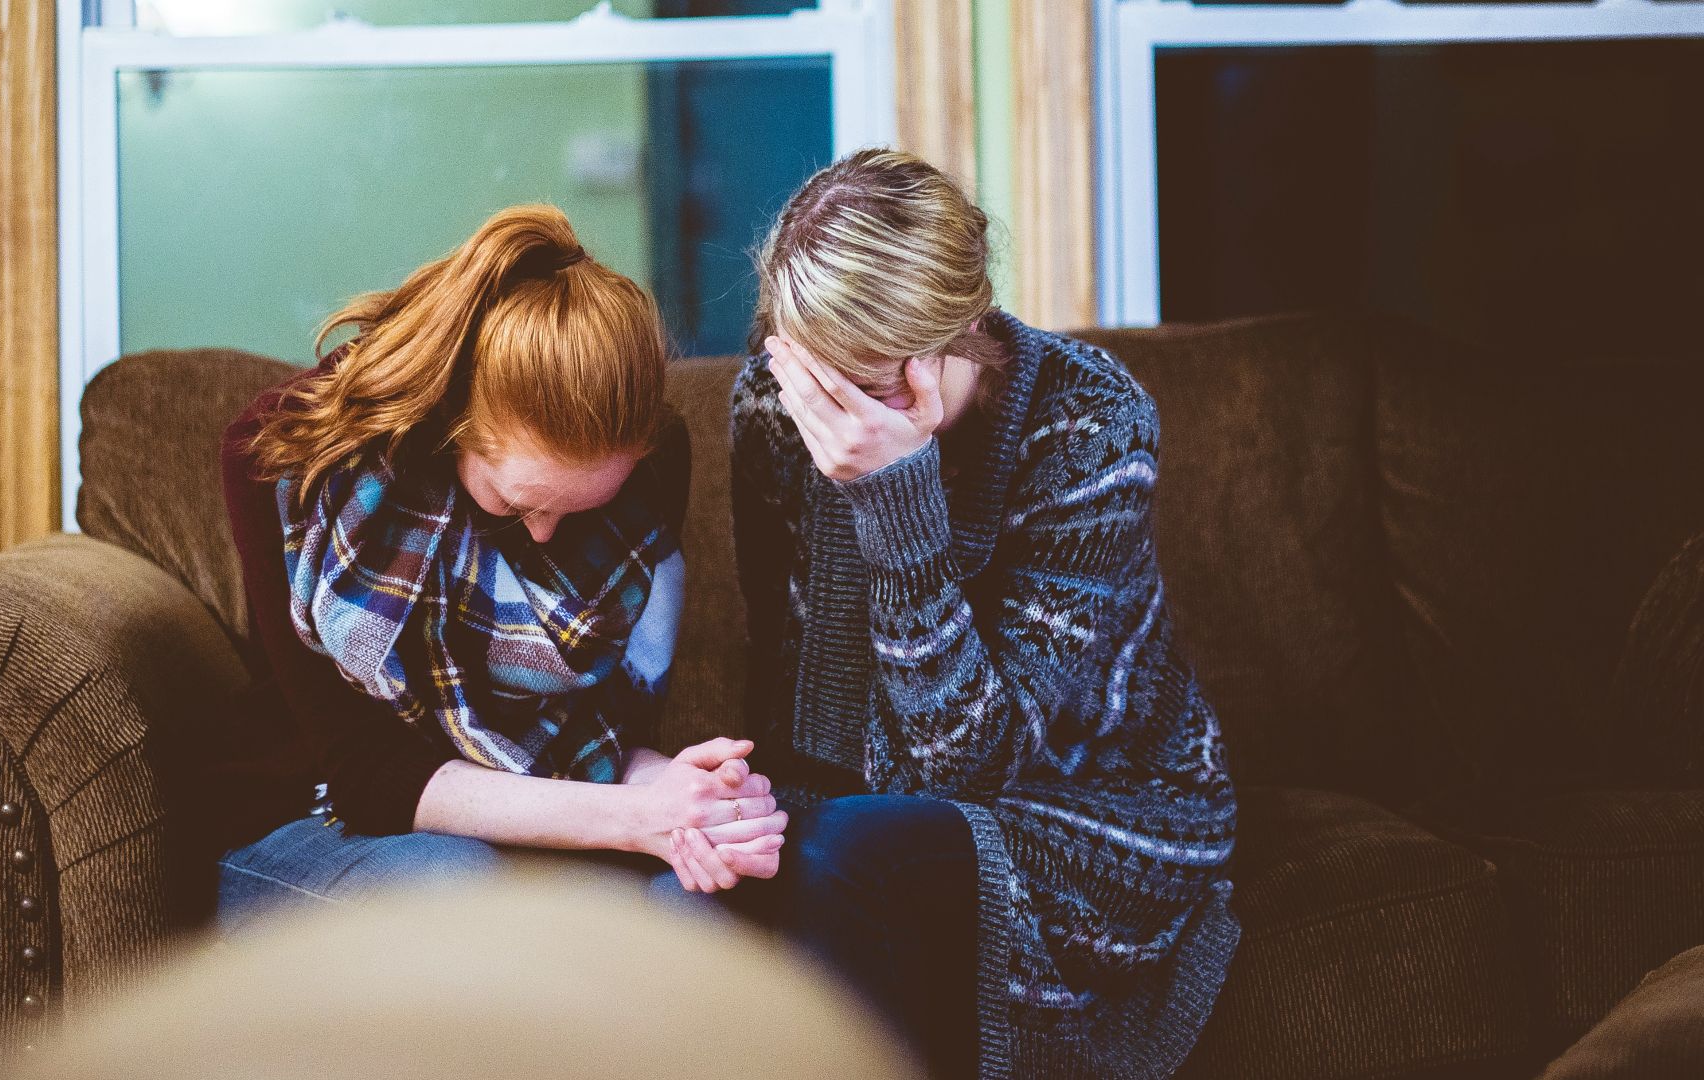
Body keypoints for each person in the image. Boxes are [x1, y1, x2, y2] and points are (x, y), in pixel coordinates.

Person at [726, 150, 1240, 1079]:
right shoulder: (774, 405)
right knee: (731, 867)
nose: (831, 418)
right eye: (815, 378)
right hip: (869, 801)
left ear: (960, 330)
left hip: (1094, 807)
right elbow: (791, 681)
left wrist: (897, 498)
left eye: (868, 385)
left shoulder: (1090, 424)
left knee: (852, 854)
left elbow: (974, 766)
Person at [211, 205, 786, 928]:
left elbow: (596, 740)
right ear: (452, 423)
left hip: (535, 809)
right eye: (516, 506)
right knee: (459, 885)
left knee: (704, 901)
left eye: (576, 512)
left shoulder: (651, 465)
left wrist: (693, 797)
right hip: (312, 816)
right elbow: (368, 777)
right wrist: (635, 818)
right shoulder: (285, 458)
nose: (546, 538)